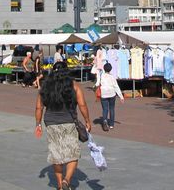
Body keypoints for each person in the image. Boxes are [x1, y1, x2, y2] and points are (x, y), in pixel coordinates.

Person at [35, 61, 91, 190]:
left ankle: (60, 185)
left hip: (51, 123)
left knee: (56, 154)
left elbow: (39, 107)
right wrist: (87, 120)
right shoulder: (74, 85)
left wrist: (38, 124)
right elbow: (82, 105)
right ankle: (66, 181)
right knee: (73, 153)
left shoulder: (45, 87)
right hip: (69, 122)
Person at [98, 62, 124, 131]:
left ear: (104, 69)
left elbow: (97, 83)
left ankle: (105, 122)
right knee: (112, 108)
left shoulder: (101, 75)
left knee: (105, 109)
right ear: (111, 69)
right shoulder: (112, 77)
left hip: (104, 93)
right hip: (112, 93)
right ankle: (111, 124)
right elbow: (116, 87)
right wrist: (121, 96)